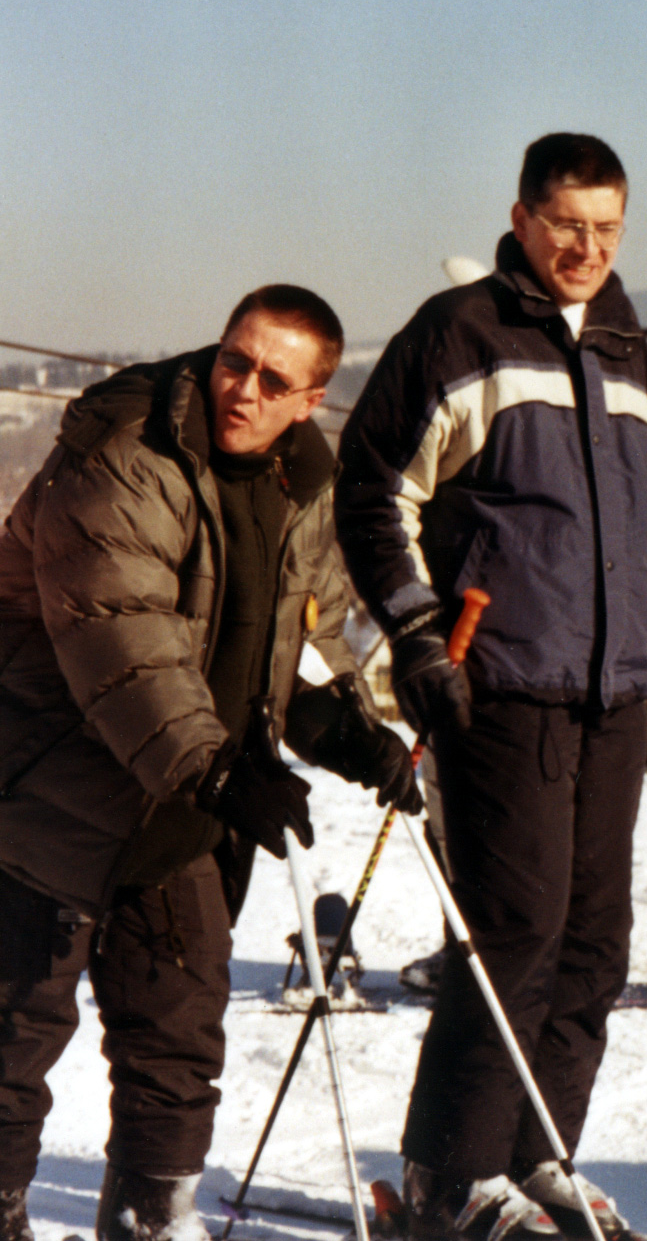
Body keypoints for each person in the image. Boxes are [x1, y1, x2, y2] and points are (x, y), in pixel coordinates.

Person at [336, 135, 647, 1241]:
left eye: (607, 229)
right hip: (502, 679)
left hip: (615, 684)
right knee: (516, 932)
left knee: (594, 942)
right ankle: (451, 1177)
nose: (587, 249)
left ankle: (538, 1154)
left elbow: (646, 509)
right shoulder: (460, 333)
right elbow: (372, 489)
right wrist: (418, 636)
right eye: (566, 226)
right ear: (522, 220)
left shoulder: (627, 342)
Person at [0, 284, 422, 1241]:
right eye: (236, 361)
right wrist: (219, 771)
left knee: (178, 1035)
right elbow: (124, 637)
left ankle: (157, 1217)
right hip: (50, 789)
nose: (244, 390)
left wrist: (349, 729)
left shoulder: (299, 484)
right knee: (15, 1033)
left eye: (274, 380)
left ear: (311, 399)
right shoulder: (123, 458)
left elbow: (304, 634)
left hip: (184, 802)